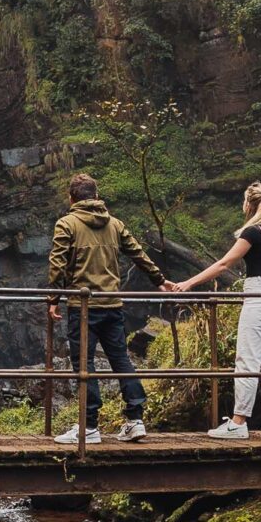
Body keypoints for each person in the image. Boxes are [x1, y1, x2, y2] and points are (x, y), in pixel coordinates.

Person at [47, 173, 175, 444]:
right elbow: (138, 254)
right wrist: (160, 280)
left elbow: (57, 264)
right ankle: (135, 420)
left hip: (82, 307)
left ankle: (89, 426)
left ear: (71, 198)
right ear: (96, 195)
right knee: (121, 360)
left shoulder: (66, 223)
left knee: (84, 365)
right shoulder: (115, 224)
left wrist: (53, 298)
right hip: (113, 305)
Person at [174, 181, 261, 439]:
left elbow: (224, 264)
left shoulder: (252, 232)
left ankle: (238, 422)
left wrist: (188, 283)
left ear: (249, 203)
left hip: (257, 296)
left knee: (246, 360)